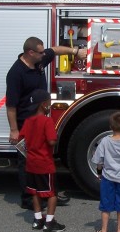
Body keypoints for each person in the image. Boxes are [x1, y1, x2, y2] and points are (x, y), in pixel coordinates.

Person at [6, 36, 87, 210]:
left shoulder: (39, 61)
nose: (44, 55)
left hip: (42, 121)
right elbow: (11, 105)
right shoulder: (16, 73)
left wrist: (75, 51)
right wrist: (14, 130)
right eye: (40, 52)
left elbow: (55, 50)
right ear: (30, 52)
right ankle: (29, 199)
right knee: (27, 161)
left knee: (45, 159)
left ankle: (49, 194)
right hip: (26, 124)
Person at [19, 89, 65, 232]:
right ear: (44, 104)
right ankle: (49, 222)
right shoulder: (47, 121)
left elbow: (21, 138)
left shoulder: (28, 121)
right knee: (52, 193)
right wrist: (55, 137)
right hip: (45, 163)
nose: (50, 104)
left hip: (31, 163)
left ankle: (37, 219)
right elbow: (51, 141)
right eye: (49, 102)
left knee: (35, 192)